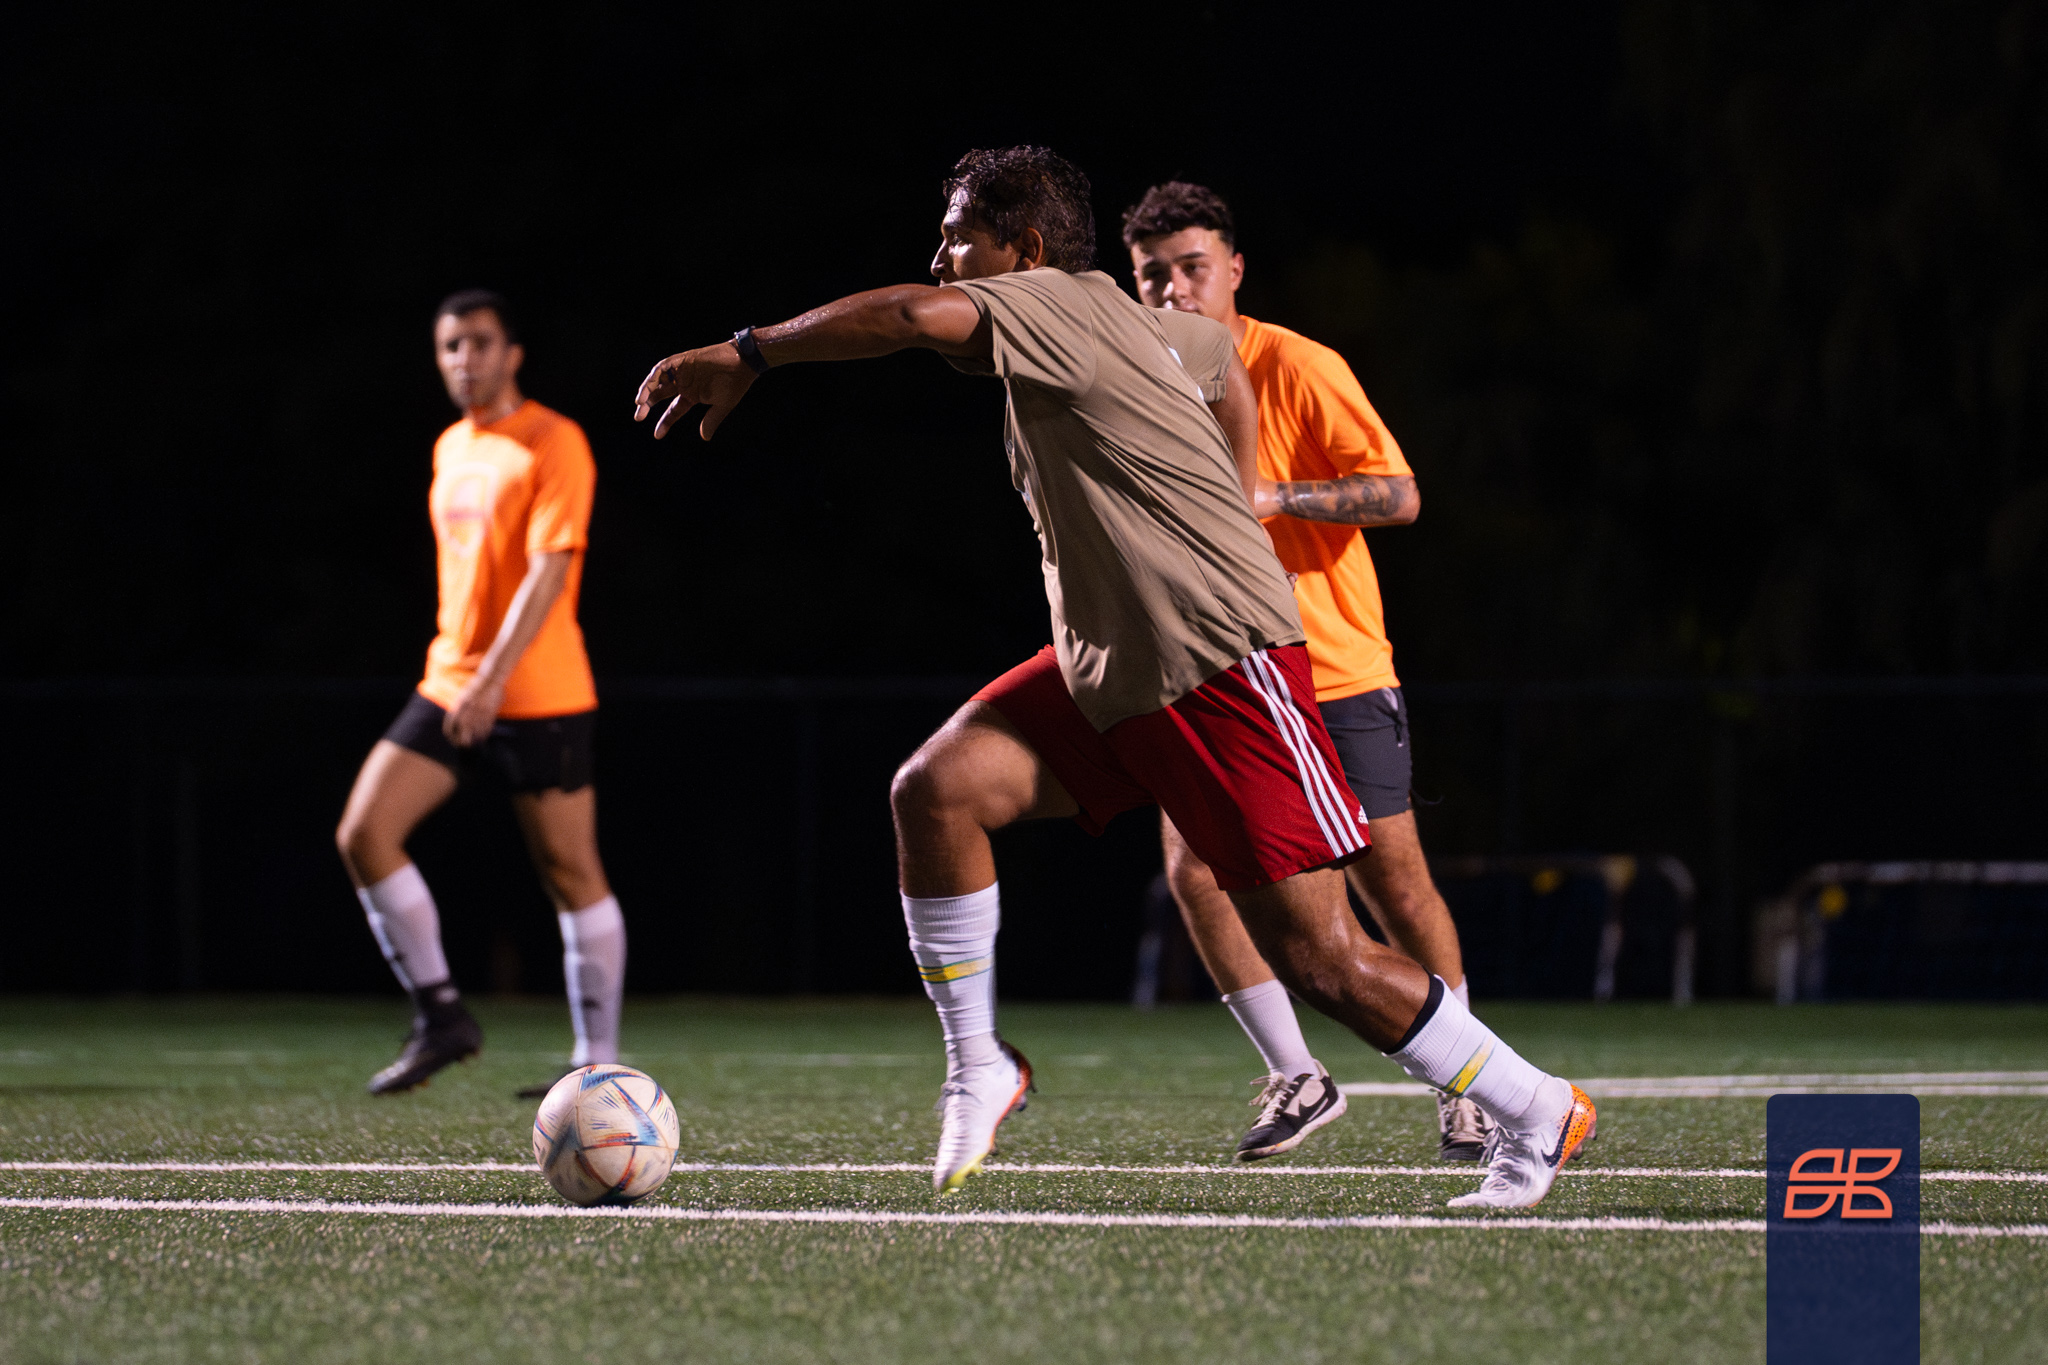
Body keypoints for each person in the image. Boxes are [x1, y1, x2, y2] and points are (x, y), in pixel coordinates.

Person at [632, 147, 1595, 1208]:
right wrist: (1235, 489)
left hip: (1218, 666)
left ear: (1024, 250)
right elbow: (1221, 364)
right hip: (1111, 669)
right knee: (935, 793)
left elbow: (907, 316)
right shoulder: (1133, 325)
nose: (940, 259)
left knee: (1325, 959)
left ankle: (1536, 1105)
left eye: (957, 238)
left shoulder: (1048, 302)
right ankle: (979, 1066)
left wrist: (747, 352)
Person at [1123, 181, 1491, 1164]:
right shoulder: (1135, 379)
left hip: (1330, 669)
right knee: (1194, 872)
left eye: (1191, 267)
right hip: (1216, 672)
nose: (1173, 288)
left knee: (1392, 885)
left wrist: (1273, 495)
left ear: (1233, 270)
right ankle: (1297, 1072)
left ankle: (1468, 1084)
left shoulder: (1295, 364)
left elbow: (1399, 495)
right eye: (1151, 273)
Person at [335, 290, 626, 1098]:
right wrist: (470, 677)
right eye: (450, 346)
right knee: (365, 832)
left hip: (537, 688)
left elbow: (551, 569)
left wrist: (495, 678)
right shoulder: (450, 446)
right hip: (449, 680)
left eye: (480, 342)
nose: (465, 359)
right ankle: (442, 1015)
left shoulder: (552, 440)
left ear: (512, 352)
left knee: (570, 869)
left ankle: (597, 1061)